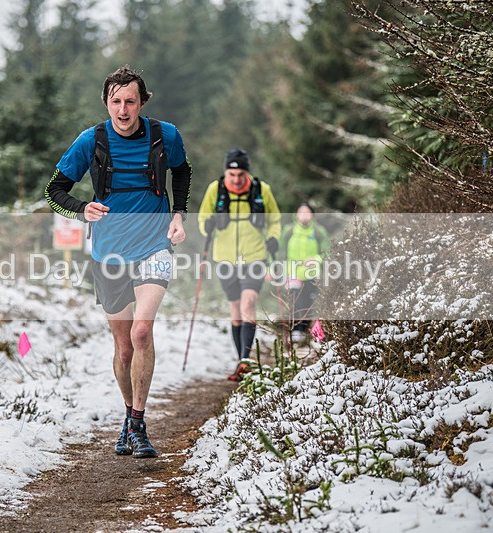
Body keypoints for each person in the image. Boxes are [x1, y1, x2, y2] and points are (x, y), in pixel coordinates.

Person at [44, 66, 191, 459]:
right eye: (115, 101)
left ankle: (139, 423)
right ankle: (128, 414)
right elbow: (53, 190)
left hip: (154, 247)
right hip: (108, 253)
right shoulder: (90, 141)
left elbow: (182, 171)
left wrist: (179, 214)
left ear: (142, 102)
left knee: (143, 332)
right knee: (124, 348)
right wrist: (80, 208)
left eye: (130, 101)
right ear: (106, 103)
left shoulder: (165, 135)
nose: (123, 109)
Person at [197, 148, 281, 381]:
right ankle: (240, 360)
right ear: (226, 172)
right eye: (231, 175)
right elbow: (203, 218)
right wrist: (209, 225)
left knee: (249, 302)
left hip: (254, 255)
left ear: (247, 173)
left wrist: (273, 237)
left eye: (240, 174)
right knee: (235, 310)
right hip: (224, 257)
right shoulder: (216, 189)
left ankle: (245, 358)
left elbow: (274, 219)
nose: (235, 179)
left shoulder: (261, 190)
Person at [280, 202, 330, 344]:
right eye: (301, 212)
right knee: (295, 301)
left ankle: (311, 333)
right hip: (293, 272)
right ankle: (297, 331)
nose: (304, 215)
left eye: (307, 212)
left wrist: (316, 259)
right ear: (296, 214)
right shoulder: (289, 230)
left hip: (312, 273)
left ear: (312, 215)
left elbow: (328, 252)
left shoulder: (318, 231)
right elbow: (281, 251)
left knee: (309, 302)